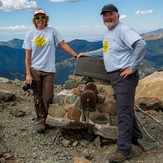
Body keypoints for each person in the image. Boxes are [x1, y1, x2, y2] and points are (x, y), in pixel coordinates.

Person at [77, 4, 147, 162]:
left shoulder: (123, 29)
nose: (107, 17)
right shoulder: (108, 32)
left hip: (124, 77)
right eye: (105, 15)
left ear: (118, 15)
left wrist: (133, 67)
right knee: (126, 108)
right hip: (116, 77)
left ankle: (124, 149)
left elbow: (141, 44)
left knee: (123, 113)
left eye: (111, 14)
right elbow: (105, 51)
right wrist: (86, 54)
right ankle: (136, 136)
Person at [22, 8, 77, 134]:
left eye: (42, 17)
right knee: (37, 96)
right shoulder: (30, 34)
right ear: (34, 20)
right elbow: (27, 56)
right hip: (35, 69)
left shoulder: (52, 31)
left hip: (49, 71)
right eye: (37, 18)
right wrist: (28, 74)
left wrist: (75, 55)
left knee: (48, 97)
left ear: (46, 19)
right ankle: (41, 120)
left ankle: (48, 117)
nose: (40, 20)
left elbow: (63, 44)